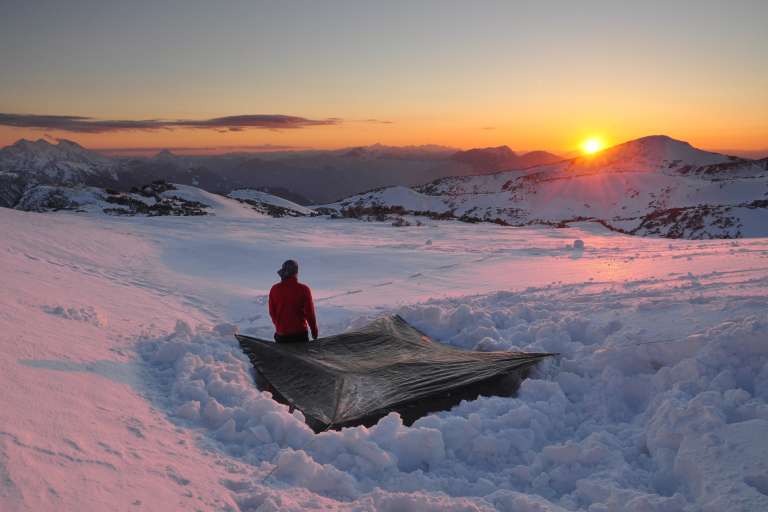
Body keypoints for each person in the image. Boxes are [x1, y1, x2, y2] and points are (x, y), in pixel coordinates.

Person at [268, 259, 319, 343]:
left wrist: (279, 326)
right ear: (296, 273)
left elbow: (272, 312)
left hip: (282, 335)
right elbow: (310, 313)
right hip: (300, 334)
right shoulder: (304, 289)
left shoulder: (275, 289)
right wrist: (314, 331)